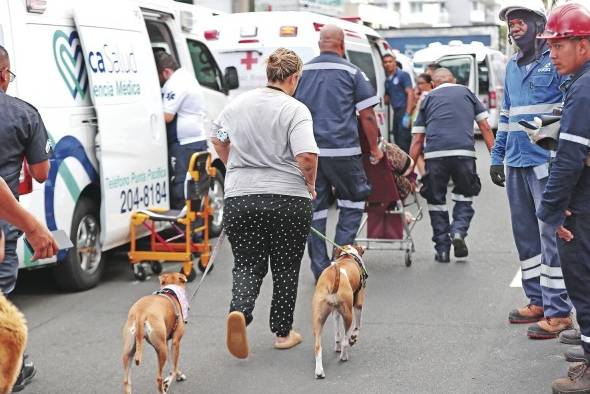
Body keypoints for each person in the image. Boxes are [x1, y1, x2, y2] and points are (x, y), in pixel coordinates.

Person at [210, 48, 319, 359]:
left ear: (268, 74)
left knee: (246, 263)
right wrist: (309, 185)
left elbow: (218, 136)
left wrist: (232, 163)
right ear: (295, 77)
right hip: (287, 199)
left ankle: (240, 312)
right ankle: (283, 333)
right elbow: (307, 156)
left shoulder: (236, 105)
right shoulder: (295, 110)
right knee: (286, 267)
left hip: (242, 198)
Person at [491, 0, 572, 339]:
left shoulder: (553, 60)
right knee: (525, 236)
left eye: (520, 18)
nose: (514, 25)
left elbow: (569, 107)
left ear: (540, 24)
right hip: (516, 162)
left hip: (546, 161)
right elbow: (507, 114)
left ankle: (559, 312)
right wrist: (497, 156)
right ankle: (537, 300)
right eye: (510, 20)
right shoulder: (510, 66)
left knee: (551, 235)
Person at [294, 25, 383, 280]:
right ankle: (341, 261)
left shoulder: (303, 73)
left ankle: (321, 269)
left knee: (315, 209)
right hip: (344, 152)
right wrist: (375, 147)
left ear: (320, 43)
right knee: (353, 202)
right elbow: (366, 115)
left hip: (310, 154)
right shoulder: (352, 72)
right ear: (342, 44)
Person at [534, 4, 590, 392]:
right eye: (550, 45)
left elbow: (570, 157)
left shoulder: (584, 88)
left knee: (583, 284)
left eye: (560, 44)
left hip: (581, 204)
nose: (552, 53)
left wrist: (550, 209)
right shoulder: (581, 83)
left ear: (584, 46)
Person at [0, 44, 58, 392]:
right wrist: (34, 228)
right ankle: (12, 367)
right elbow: (41, 172)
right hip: (6, 224)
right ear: (3, 75)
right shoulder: (24, 113)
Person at [410, 68, 495, 262]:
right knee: (464, 195)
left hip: (435, 155)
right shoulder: (466, 93)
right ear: (454, 80)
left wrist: (408, 168)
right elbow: (485, 127)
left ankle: (442, 249)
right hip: (463, 154)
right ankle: (458, 232)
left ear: (433, 84)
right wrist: (496, 159)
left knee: (436, 200)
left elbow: (417, 139)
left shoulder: (428, 98)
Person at [156, 51, 209, 210]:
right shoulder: (186, 76)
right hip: (196, 141)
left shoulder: (175, 83)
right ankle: (196, 231)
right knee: (196, 188)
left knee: (182, 189)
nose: (160, 83)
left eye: (159, 78)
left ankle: (187, 231)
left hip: (184, 146)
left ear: (166, 72)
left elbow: (167, 117)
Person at [383, 53, 415, 153]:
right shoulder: (387, 80)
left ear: (395, 62)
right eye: (385, 62)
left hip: (404, 110)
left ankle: (408, 166)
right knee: (396, 138)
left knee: (403, 141)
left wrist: (408, 114)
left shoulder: (402, 75)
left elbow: (410, 94)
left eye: (390, 61)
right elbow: (386, 98)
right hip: (396, 112)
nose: (388, 64)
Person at [412, 73, 434, 178]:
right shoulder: (428, 95)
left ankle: (425, 178)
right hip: (426, 128)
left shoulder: (426, 96)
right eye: (418, 83)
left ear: (430, 83)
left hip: (423, 129)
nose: (419, 86)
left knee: (418, 154)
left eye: (422, 83)